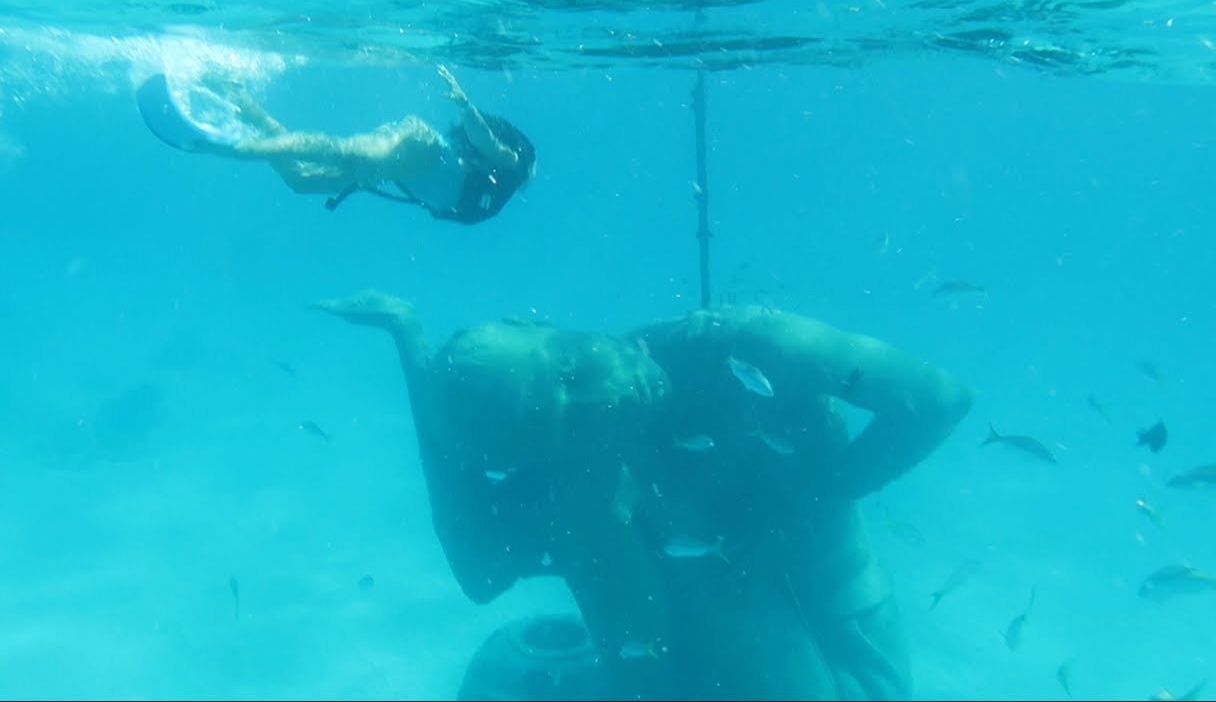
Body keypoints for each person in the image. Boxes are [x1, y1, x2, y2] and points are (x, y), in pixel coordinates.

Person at [312, 289, 974, 700]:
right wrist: (412, 350)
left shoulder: (738, 344)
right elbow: (480, 570)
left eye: (571, 369)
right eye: (564, 420)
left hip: (840, 669)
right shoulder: (575, 462)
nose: (604, 400)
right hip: (686, 673)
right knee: (582, 499)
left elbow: (935, 400)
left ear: (530, 318)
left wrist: (811, 496)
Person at [135, 65, 536, 224]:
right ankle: (220, 146)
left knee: (302, 180)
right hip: (421, 146)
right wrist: (465, 103)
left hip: (401, 172)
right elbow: (486, 140)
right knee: (342, 151)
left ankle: (243, 103)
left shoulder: (496, 190)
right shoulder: (514, 164)